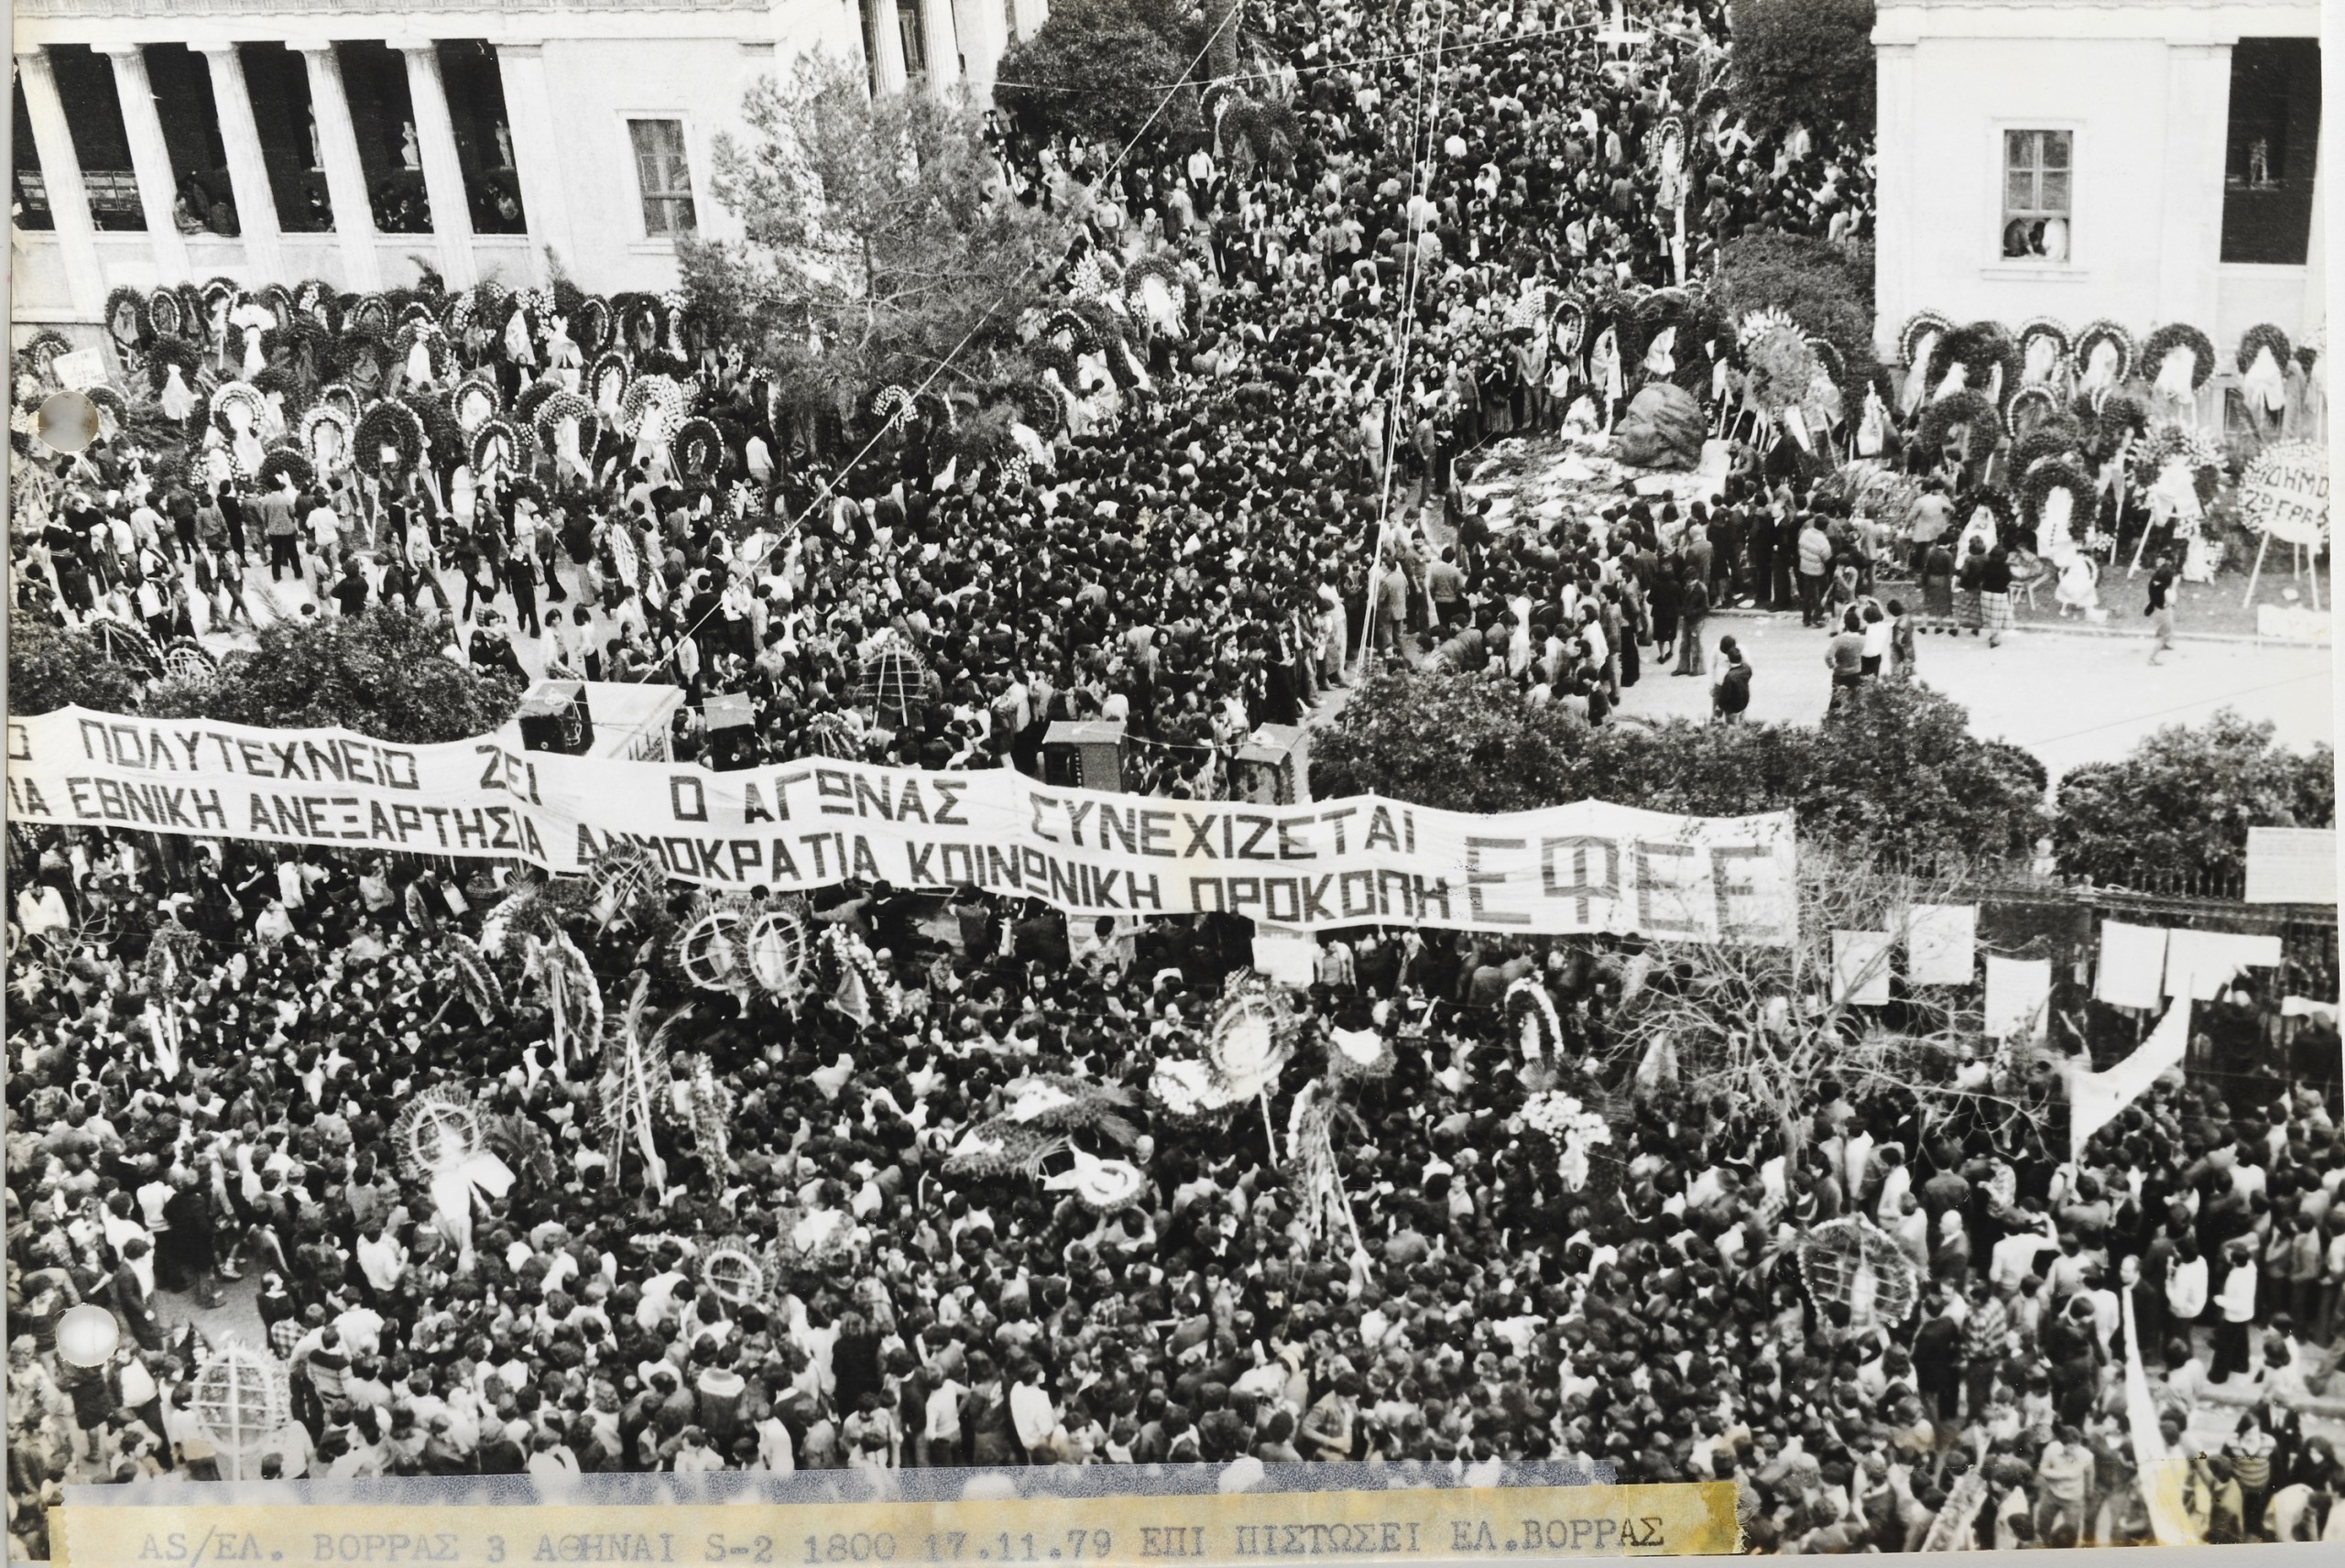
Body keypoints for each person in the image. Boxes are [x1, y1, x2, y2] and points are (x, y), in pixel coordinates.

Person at [1826, 608, 1866, 709]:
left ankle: (1833, 721)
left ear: (1845, 625)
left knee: (1836, 700)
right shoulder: (1863, 640)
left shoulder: (1839, 640)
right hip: (1856, 672)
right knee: (1854, 699)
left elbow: (1828, 656)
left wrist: (1833, 666)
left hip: (1840, 673)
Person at [2145, 553, 2178, 665]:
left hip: (2156, 610)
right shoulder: (2166, 591)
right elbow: (2172, 600)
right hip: (2164, 612)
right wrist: (2174, 587)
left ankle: (2165, 644)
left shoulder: (2154, 585)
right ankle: (2151, 658)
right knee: (2162, 636)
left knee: (2162, 631)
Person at [1710, 636, 1751, 724]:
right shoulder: (1716, 648)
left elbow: (1747, 666)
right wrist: (1711, 684)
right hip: (1719, 684)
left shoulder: (1741, 651)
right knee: (1716, 716)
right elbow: (1712, 666)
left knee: (1735, 715)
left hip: (1735, 686)